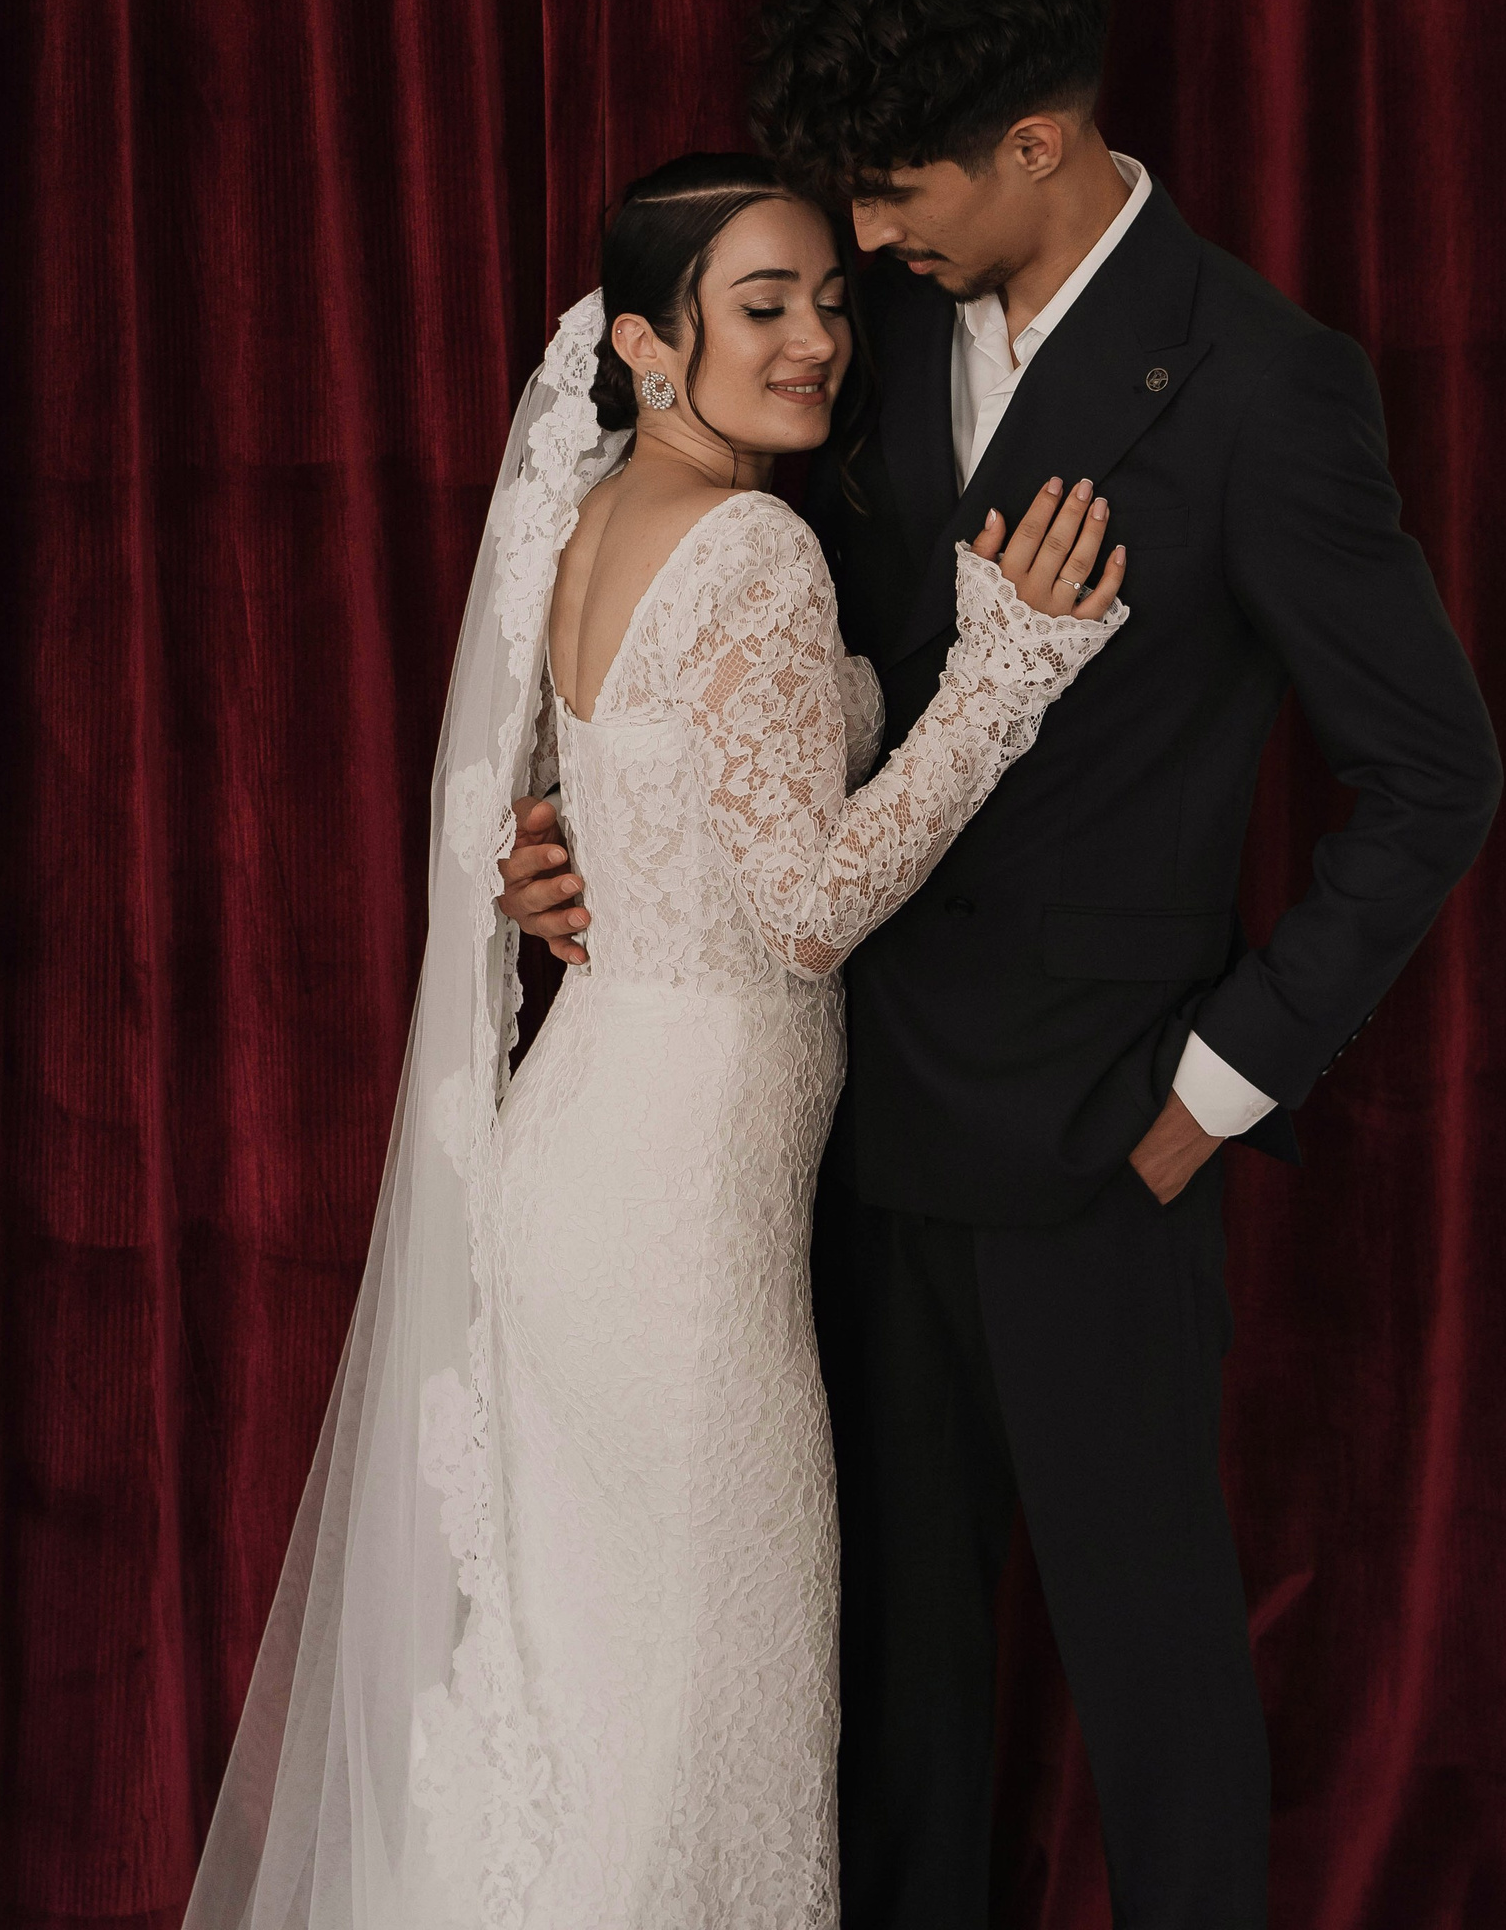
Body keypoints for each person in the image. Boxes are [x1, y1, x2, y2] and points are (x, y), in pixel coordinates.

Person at [505, 0, 1503, 1930]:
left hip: (1097, 1137)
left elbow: (1436, 779)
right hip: (837, 1128)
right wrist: (609, 848)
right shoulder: (864, 354)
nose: (859, 247)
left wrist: (1214, 1090)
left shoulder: (1262, 387)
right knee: (888, 1693)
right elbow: (771, 704)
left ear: (1037, 142)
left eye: (892, 197)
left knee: (1150, 1672)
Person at [183, 151, 1127, 1930]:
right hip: (676, 1226)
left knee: (601, 1698)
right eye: (762, 307)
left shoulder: (602, 514)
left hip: (586, 1162)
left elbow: (646, 804)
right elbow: (810, 905)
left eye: (831, 302)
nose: (816, 340)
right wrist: (1004, 678)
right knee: (710, 1702)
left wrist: (559, 864)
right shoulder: (757, 548)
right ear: (644, 342)